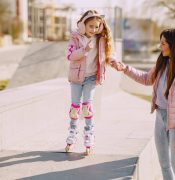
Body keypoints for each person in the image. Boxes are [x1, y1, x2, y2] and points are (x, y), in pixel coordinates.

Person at [112, 28, 175, 180]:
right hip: (160, 117)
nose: (160, 46)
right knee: (164, 163)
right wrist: (125, 68)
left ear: (173, 45)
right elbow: (145, 79)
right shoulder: (162, 63)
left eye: (163, 43)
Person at [65, 10, 119, 155]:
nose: (94, 30)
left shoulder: (100, 39)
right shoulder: (75, 37)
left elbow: (109, 54)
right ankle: (72, 134)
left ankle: (89, 135)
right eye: (91, 26)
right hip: (76, 78)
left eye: (97, 27)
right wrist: (84, 50)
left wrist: (114, 61)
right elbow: (70, 56)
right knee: (75, 108)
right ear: (83, 25)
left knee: (86, 107)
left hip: (91, 78)